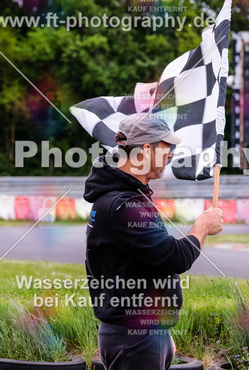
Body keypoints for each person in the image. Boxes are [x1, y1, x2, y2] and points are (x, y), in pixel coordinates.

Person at [83, 113, 224, 370]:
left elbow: (145, 264)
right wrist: (203, 226)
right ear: (147, 150)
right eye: (166, 147)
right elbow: (174, 257)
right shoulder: (124, 205)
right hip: (134, 338)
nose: (170, 154)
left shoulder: (122, 196)